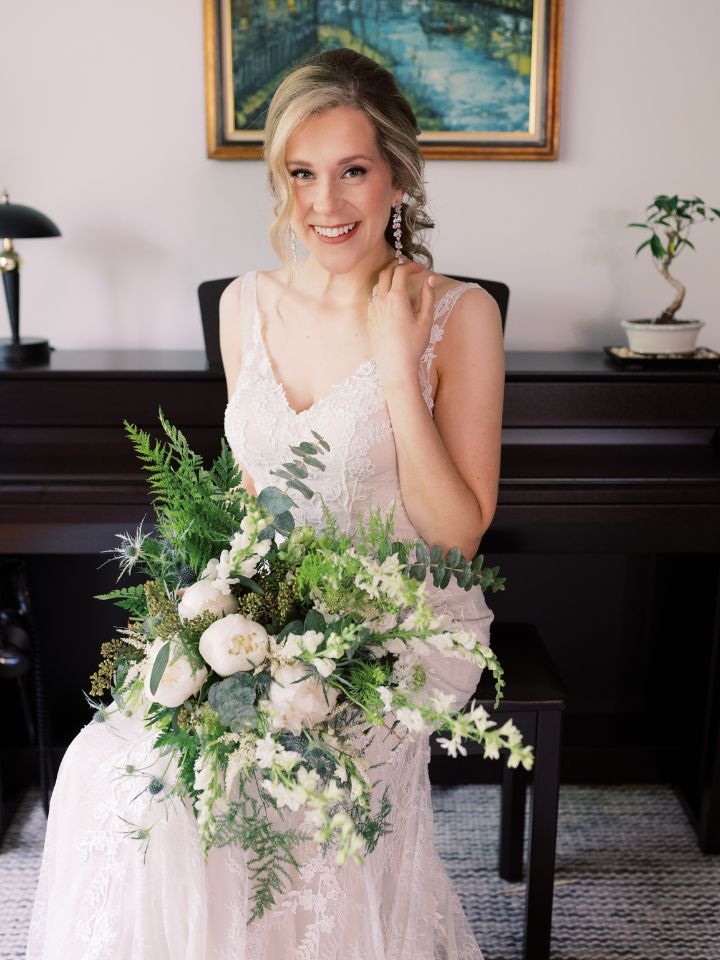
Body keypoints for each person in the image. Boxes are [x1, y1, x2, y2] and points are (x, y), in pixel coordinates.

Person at [25, 47, 505, 959]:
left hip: (407, 617)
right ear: (280, 183)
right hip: (276, 602)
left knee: (275, 782)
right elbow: (254, 501)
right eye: (303, 174)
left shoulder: (459, 315)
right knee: (115, 768)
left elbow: (458, 533)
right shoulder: (244, 304)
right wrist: (220, 626)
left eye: (354, 171)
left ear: (398, 176)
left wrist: (397, 366)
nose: (327, 204)